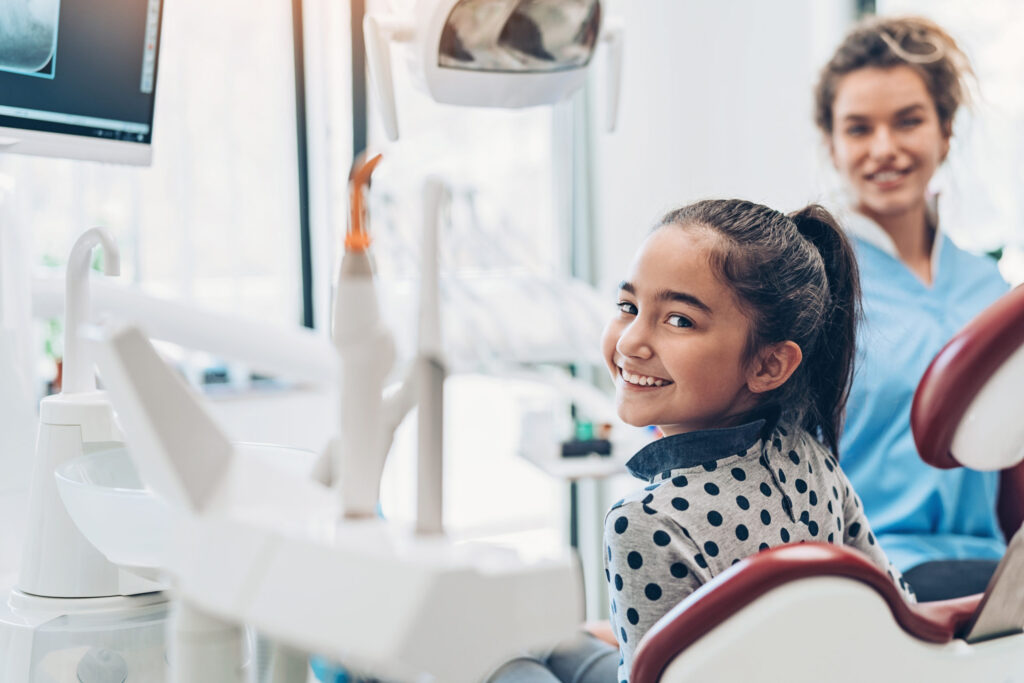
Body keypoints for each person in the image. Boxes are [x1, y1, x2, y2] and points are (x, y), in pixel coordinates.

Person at [814, 15, 1013, 600]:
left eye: (908, 121)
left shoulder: (988, 288)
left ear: (945, 132)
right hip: (866, 570)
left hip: (991, 566)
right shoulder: (812, 286)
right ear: (832, 143)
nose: (885, 149)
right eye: (858, 129)